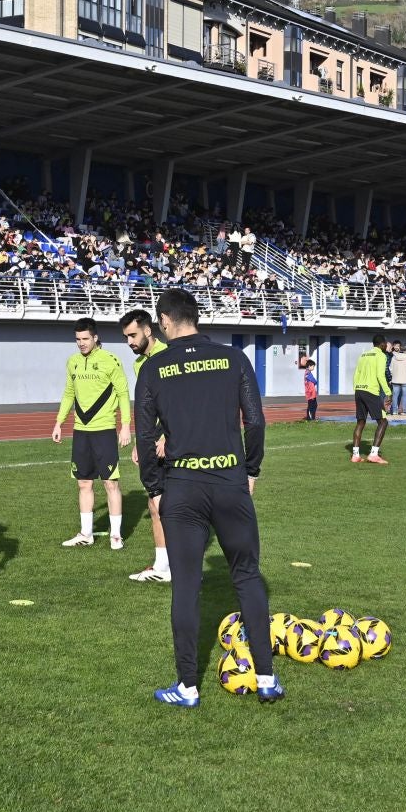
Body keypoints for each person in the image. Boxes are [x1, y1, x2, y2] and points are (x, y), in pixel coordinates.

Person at [135, 287, 281, 707]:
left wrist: (154, 487)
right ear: (196, 317)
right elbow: (255, 422)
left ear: (163, 321)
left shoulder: (154, 368)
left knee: (186, 585)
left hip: (182, 486)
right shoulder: (234, 358)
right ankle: (267, 679)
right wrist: (250, 469)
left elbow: (146, 437)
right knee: (248, 577)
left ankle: (187, 687)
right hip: (229, 481)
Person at [52, 318, 131, 549]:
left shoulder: (110, 361)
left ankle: (116, 535)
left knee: (110, 483)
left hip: (104, 430)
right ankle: (86, 534)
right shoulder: (73, 362)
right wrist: (59, 423)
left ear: (95, 337)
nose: (81, 343)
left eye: (85, 338)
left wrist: (125, 425)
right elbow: (68, 394)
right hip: (81, 431)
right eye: (77, 339)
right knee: (84, 483)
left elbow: (123, 393)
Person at [121, 309, 172, 583]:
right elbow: (147, 408)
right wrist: (142, 442)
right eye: (126, 336)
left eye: (133, 334)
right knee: (154, 504)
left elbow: (178, 404)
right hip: (153, 442)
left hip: (173, 441)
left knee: (173, 506)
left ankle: (177, 567)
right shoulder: (140, 364)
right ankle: (162, 565)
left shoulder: (169, 355)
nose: (129, 341)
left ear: (148, 331)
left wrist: (167, 437)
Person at [348, 334, 390, 465]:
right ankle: (374, 454)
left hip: (359, 390)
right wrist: (388, 392)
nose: (386, 346)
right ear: (382, 344)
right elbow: (380, 375)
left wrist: (356, 388)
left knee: (361, 422)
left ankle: (355, 456)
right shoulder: (381, 355)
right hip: (371, 391)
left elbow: (357, 373)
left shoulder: (363, 355)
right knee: (383, 422)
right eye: (385, 344)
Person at [388, 341, 406, 416]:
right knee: (405, 396)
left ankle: (394, 411)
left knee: (395, 396)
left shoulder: (394, 357)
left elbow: (391, 368)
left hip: (395, 380)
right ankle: (404, 411)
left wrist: (393, 376)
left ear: (399, 349)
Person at [298, 354, 319, 421]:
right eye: (313, 366)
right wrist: (315, 382)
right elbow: (314, 380)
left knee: (315, 405)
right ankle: (310, 418)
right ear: (309, 366)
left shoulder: (308, 372)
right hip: (310, 392)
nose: (313, 368)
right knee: (311, 405)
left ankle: (312, 417)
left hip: (312, 392)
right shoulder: (307, 373)